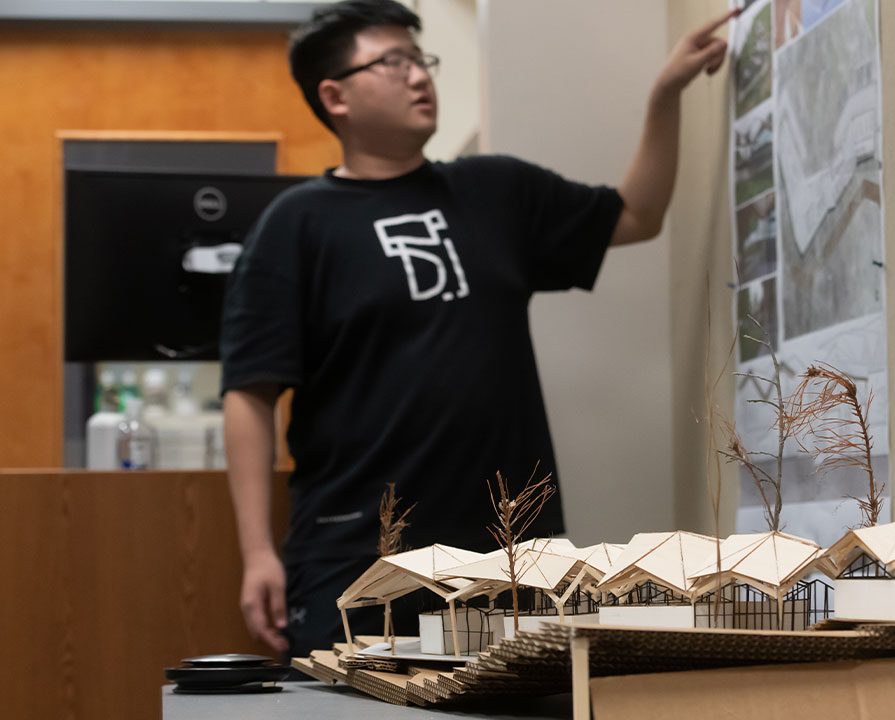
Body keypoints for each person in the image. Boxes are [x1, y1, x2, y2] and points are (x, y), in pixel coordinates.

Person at [221, 0, 734, 657]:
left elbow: (637, 215)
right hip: (358, 554)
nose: (418, 76)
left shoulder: (496, 192)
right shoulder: (295, 226)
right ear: (335, 95)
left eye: (421, 58)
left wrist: (666, 92)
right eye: (393, 62)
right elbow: (250, 392)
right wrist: (258, 551)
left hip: (512, 556)